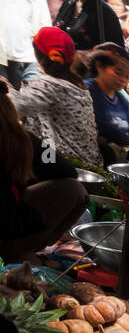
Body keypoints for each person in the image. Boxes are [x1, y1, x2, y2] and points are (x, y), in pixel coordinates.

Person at [0, 82, 86, 261]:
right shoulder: (21, 138)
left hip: (8, 223)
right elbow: (67, 170)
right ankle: (20, 252)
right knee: (74, 189)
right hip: (8, 232)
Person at [12, 26, 101, 166]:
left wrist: (5, 88)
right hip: (88, 163)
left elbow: (13, 107)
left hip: (64, 165)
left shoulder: (48, 85)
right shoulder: (78, 85)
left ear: (38, 55)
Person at [84, 41, 129, 163]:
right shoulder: (88, 92)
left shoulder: (121, 98)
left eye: (127, 77)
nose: (123, 80)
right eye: (118, 73)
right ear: (99, 66)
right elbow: (101, 124)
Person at [2, 0, 50, 89]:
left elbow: (44, 25)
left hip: (28, 55)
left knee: (34, 92)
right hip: (2, 57)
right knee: (5, 99)